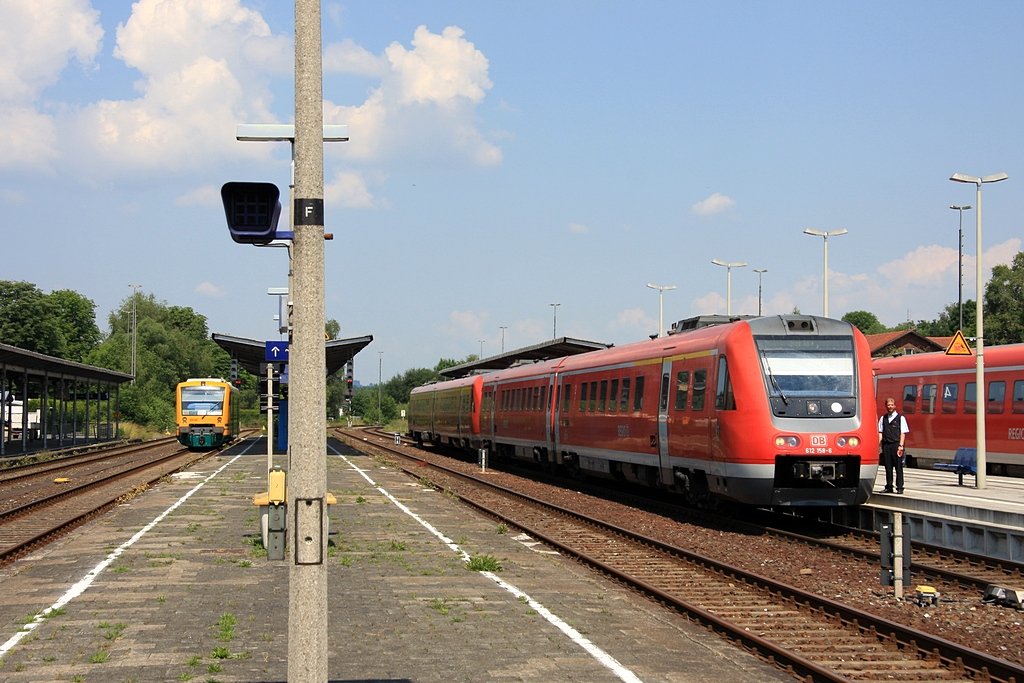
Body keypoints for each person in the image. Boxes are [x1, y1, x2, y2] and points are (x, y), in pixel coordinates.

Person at [877, 396, 910, 494]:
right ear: (886, 406)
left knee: (898, 467)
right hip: (886, 445)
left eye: (892, 405)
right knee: (888, 467)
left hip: (896, 445)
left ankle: (900, 487)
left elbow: (903, 433)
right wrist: (879, 445)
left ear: (895, 406)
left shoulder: (901, 418)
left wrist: (901, 446)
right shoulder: (883, 418)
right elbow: (880, 432)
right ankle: (889, 486)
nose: (890, 407)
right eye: (888, 405)